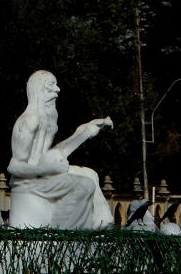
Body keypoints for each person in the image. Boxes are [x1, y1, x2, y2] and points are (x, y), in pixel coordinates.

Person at [8, 70, 113, 229]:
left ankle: (102, 222)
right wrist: (49, 168)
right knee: (84, 185)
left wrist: (85, 132)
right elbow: (14, 166)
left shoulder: (46, 118)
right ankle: (64, 231)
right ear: (38, 89)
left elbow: (52, 155)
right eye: (51, 85)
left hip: (42, 176)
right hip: (30, 182)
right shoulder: (31, 119)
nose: (57, 89)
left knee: (91, 174)